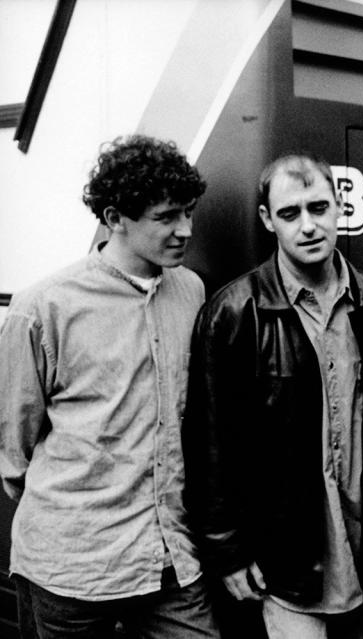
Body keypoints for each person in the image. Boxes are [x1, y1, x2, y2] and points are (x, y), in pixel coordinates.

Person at [0, 134, 217, 637]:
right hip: (72, 570)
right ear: (116, 217)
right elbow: (14, 451)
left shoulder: (190, 289)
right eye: (166, 218)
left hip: (170, 558)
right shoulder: (43, 308)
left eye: (189, 212)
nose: (185, 229)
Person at [183, 154, 363, 639]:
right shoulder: (234, 312)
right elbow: (210, 442)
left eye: (318, 208)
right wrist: (228, 551)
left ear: (340, 207)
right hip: (288, 559)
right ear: (267, 220)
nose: (308, 226)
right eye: (289, 213)